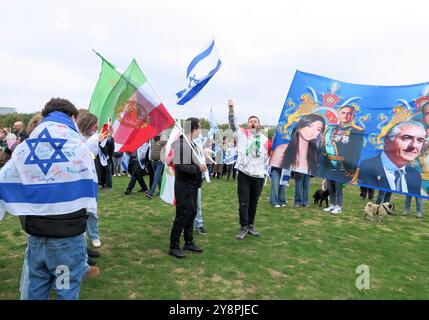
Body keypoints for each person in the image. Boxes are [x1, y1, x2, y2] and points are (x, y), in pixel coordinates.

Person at [0, 98, 98, 299]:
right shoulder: (79, 150)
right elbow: (90, 188)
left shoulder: (24, 149)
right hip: (67, 238)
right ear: (71, 117)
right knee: (66, 290)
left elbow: (4, 181)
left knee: (36, 289)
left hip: (36, 237)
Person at [228, 99, 269, 240]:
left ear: (259, 125)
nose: (252, 122)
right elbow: (233, 125)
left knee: (254, 202)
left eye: (255, 121)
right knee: (244, 201)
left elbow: (275, 153)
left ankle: (251, 225)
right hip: (244, 174)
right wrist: (231, 110)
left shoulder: (265, 139)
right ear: (248, 124)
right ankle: (243, 226)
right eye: (250, 121)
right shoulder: (242, 134)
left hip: (258, 176)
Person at [168, 118, 206, 258]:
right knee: (182, 215)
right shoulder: (180, 144)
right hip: (183, 186)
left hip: (193, 185)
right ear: (194, 129)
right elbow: (180, 167)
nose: (200, 131)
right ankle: (174, 245)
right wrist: (198, 168)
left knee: (191, 213)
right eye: (200, 128)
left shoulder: (192, 145)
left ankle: (188, 242)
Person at [270, 114, 325, 207]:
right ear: (299, 127)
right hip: (283, 170)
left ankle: (302, 201)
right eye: (309, 126)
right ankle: (287, 201)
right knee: (283, 184)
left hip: (302, 171)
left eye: (318, 129)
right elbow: (275, 165)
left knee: (305, 185)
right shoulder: (282, 149)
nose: (312, 132)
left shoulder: (313, 152)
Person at [359, 121, 426, 195]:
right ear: (387, 140)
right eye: (407, 138)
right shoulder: (365, 167)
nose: (414, 145)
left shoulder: (415, 175)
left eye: (420, 140)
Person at [319, 105, 364, 183]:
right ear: (338, 113)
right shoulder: (330, 129)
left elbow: (355, 153)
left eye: (349, 113)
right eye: (343, 113)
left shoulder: (357, 131)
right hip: (327, 165)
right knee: (327, 190)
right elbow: (322, 148)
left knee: (338, 191)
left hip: (342, 167)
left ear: (353, 116)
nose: (345, 115)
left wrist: (349, 171)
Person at [146, 135, 166, 199]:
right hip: (153, 161)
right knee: (158, 177)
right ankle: (161, 191)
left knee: (156, 177)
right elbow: (151, 149)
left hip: (160, 162)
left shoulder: (163, 139)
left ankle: (151, 193)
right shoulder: (152, 139)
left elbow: (167, 148)